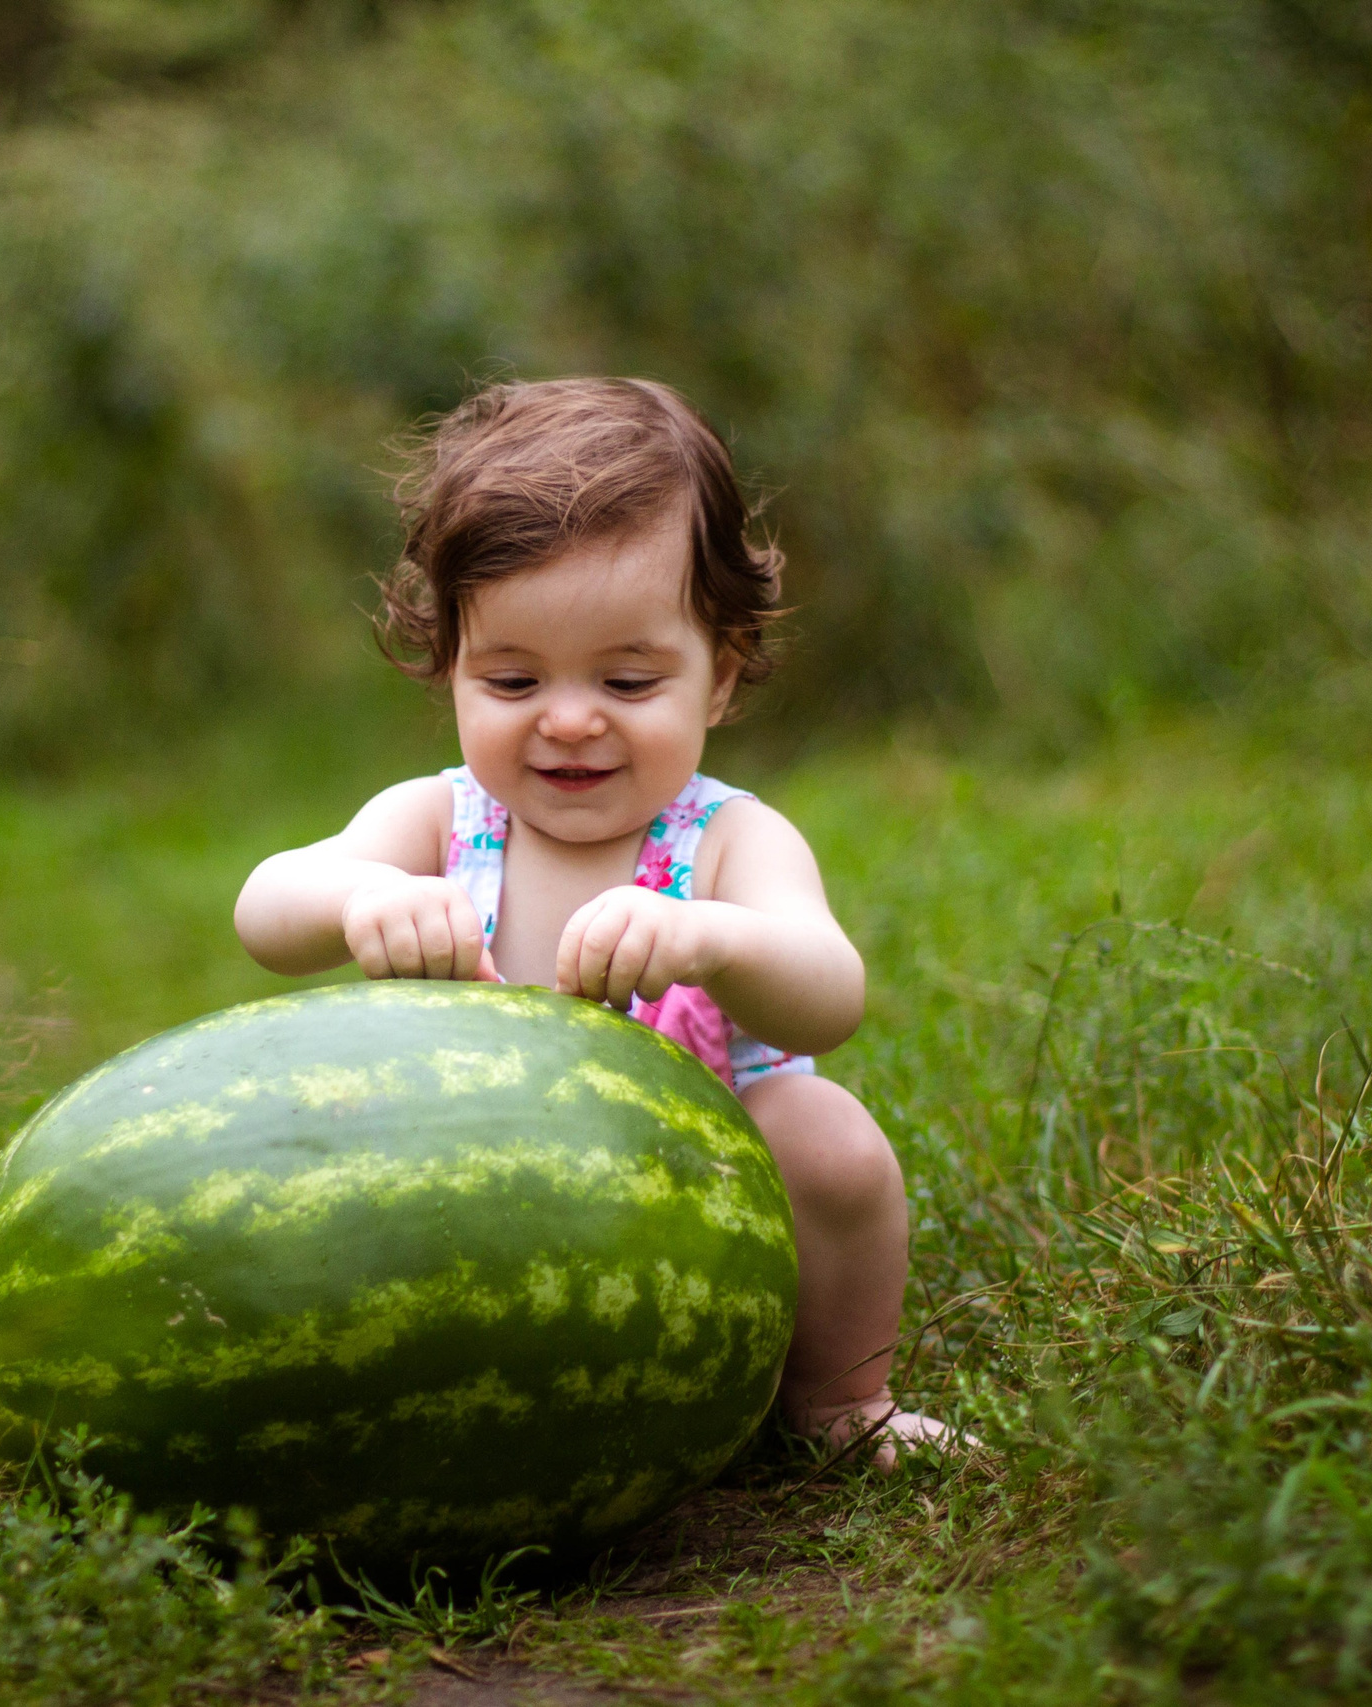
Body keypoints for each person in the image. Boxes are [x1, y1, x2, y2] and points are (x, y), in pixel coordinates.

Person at [233, 376, 953, 1470]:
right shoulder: (437, 820)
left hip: (695, 1207)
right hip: (470, 1208)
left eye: (625, 679)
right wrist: (358, 896)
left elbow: (830, 994)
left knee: (827, 1138)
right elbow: (265, 910)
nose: (569, 720)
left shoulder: (726, 840)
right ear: (451, 670)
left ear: (720, 676)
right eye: (513, 680)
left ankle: (838, 1400)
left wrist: (714, 938)